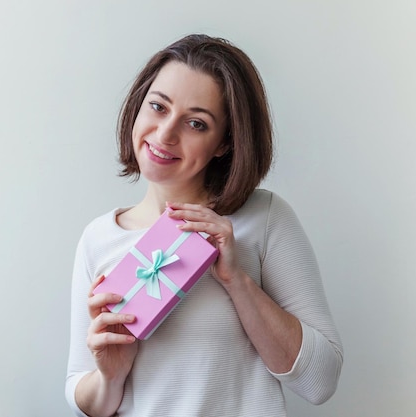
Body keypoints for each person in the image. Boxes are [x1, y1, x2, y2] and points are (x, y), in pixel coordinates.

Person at [65, 34, 343, 417]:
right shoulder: (99, 237)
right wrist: (110, 376)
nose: (165, 134)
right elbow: (85, 393)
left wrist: (237, 280)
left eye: (196, 123)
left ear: (225, 143)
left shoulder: (263, 219)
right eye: (158, 107)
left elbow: (320, 380)